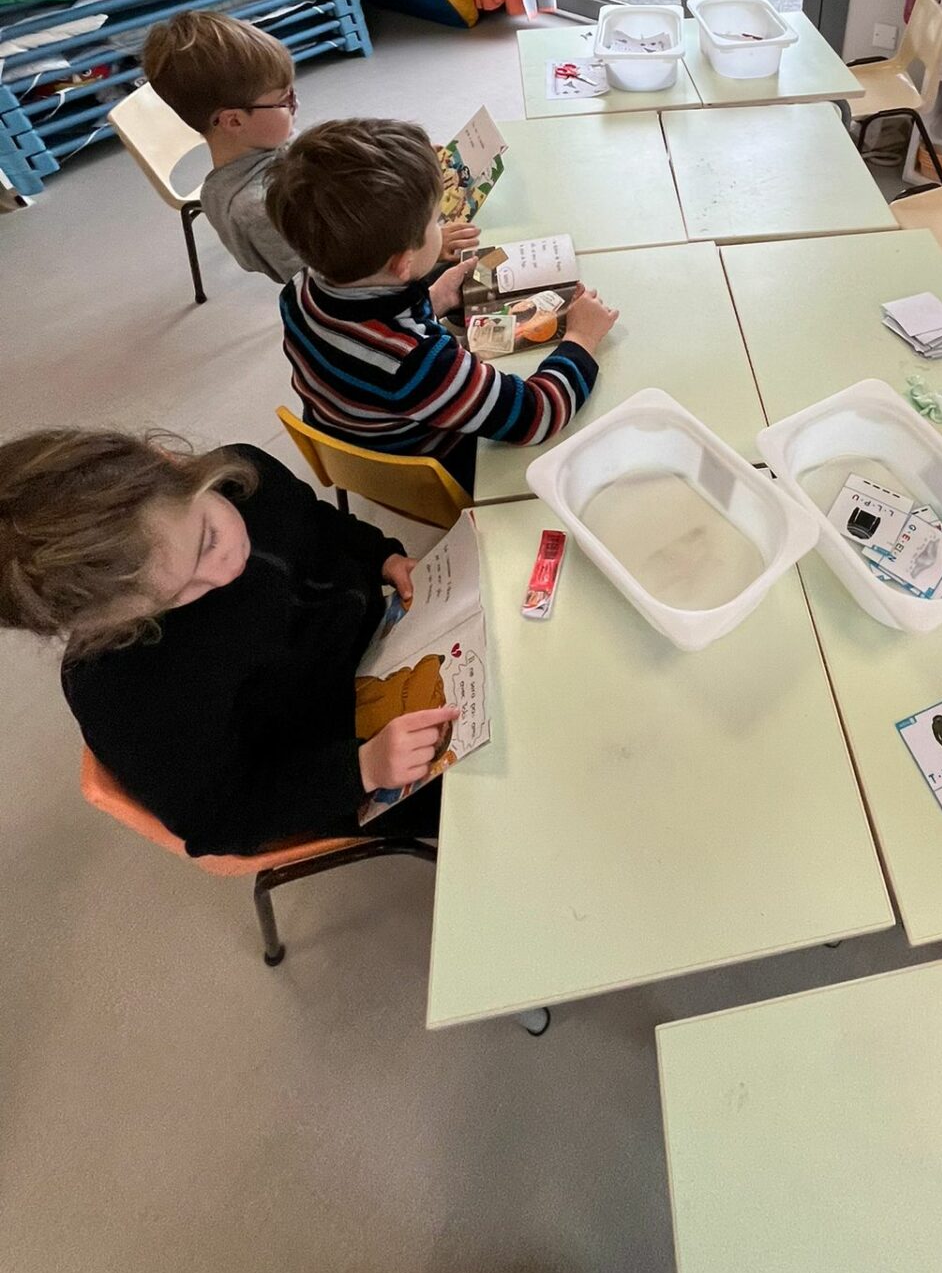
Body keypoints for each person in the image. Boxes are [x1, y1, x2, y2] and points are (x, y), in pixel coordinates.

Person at [0, 430, 458, 856]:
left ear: (172, 463)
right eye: (173, 597)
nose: (223, 572)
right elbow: (218, 816)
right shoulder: (123, 692)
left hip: (387, 637)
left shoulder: (243, 479)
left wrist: (382, 557)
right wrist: (362, 769)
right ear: (107, 623)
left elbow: (316, 521)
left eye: (208, 538)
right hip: (334, 757)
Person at [268, 117, 616, 485]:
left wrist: (435, 299)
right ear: (403, 263)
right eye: (436, 221)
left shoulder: (299, 288)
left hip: (350, 426)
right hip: (431, 460)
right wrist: (581, 338)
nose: (442, 227)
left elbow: (359, 337)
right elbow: (535, 416)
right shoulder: (418, 364)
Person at [140, 12, 479, 283]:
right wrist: (426, 249)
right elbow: (335, 284)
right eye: (284, 100)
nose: (296, 104)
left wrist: (405, 159)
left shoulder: (267, 144)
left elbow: (337, 159)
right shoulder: (257, 209)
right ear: (233, 121)